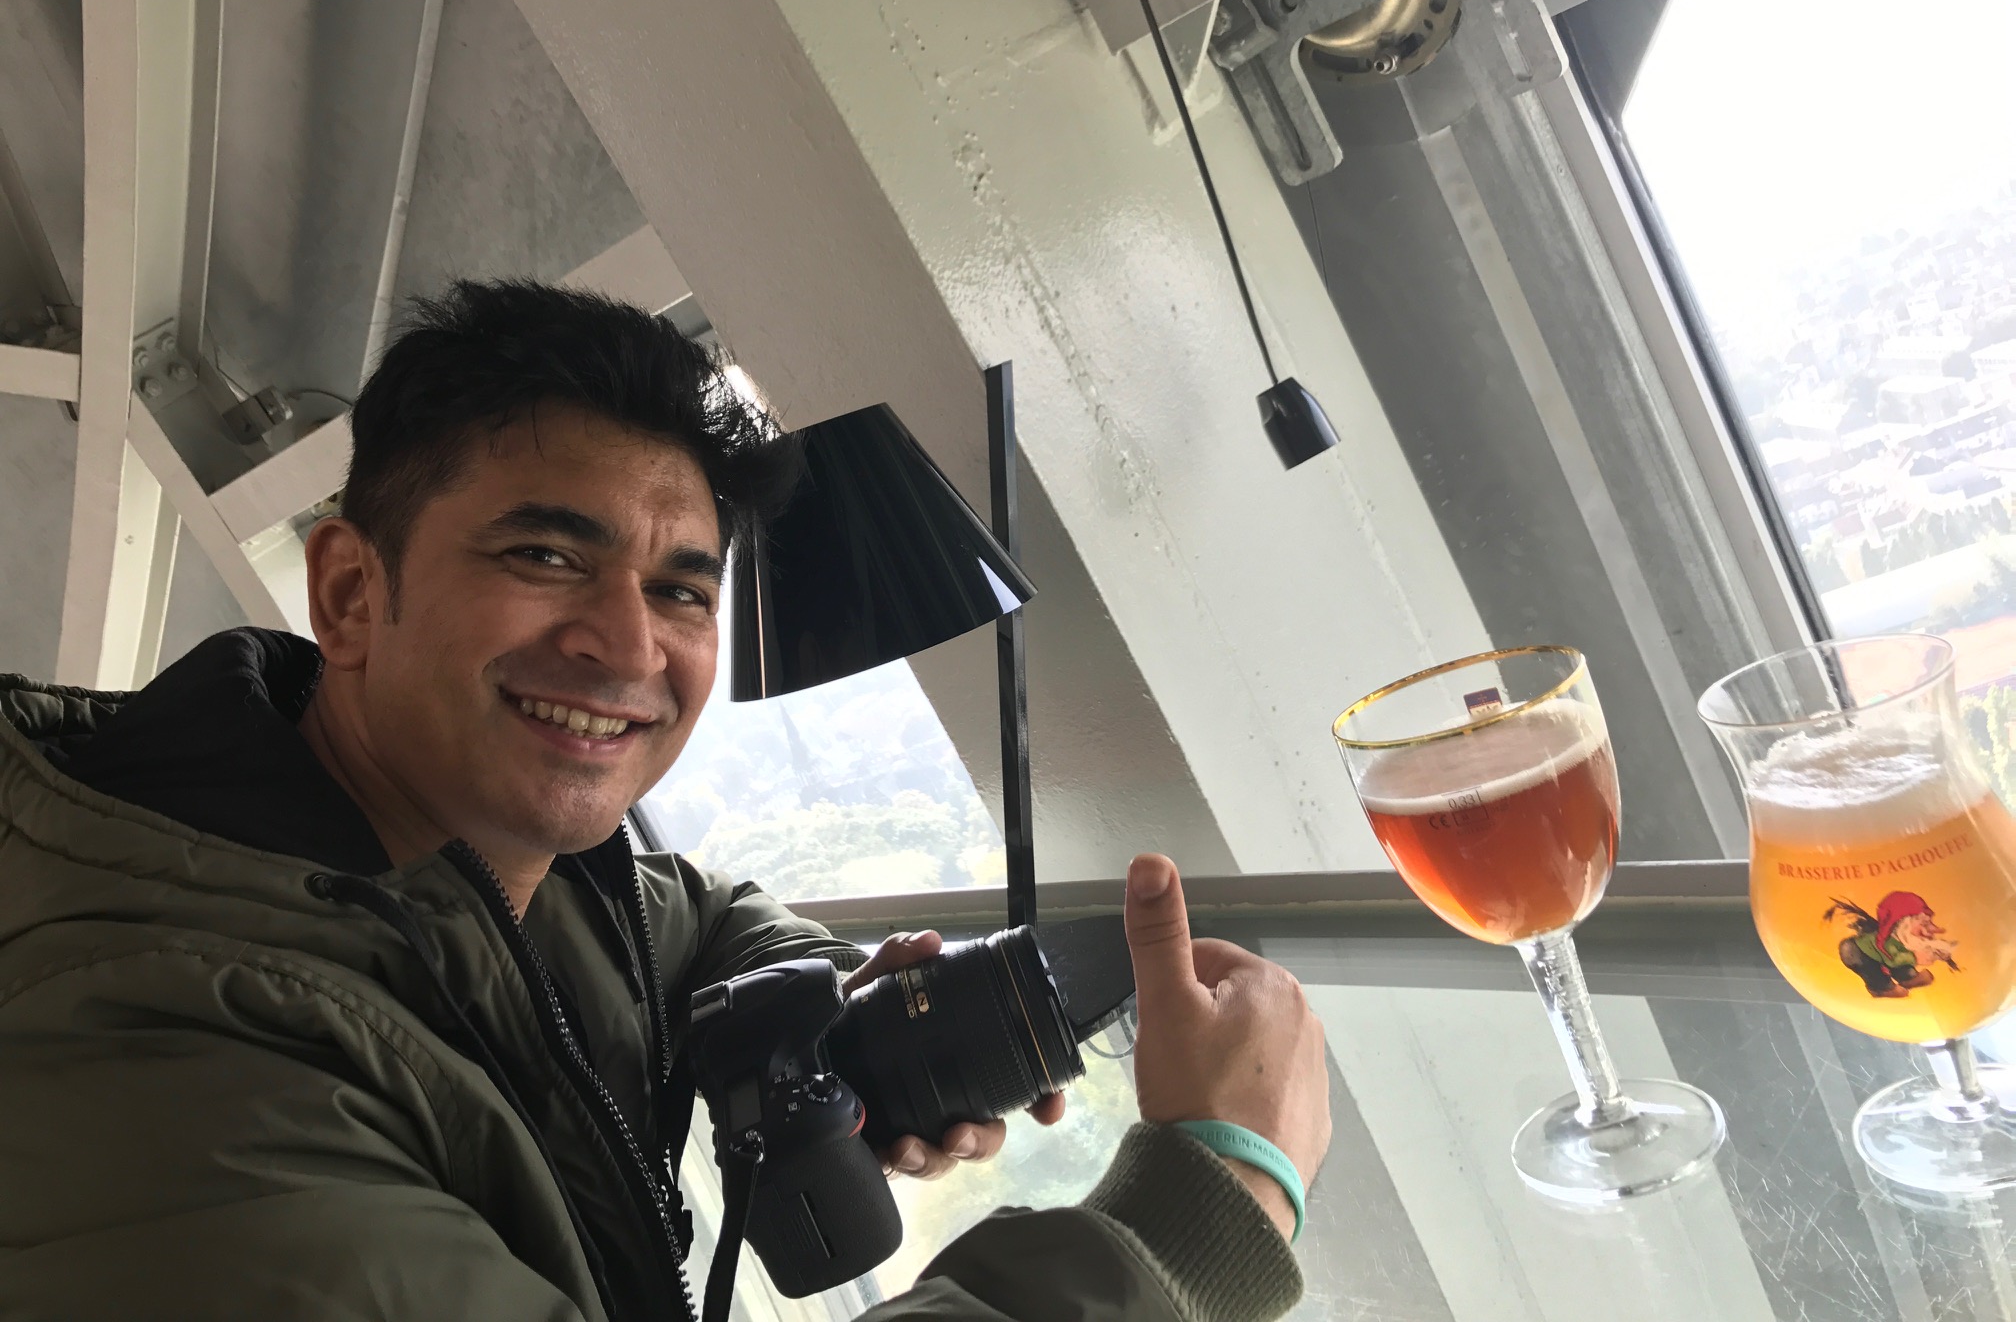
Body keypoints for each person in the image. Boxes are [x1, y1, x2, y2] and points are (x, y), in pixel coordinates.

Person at [0, 281, 1331, 1321]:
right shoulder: (152, 1054)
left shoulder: (492, 860)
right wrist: (1208, 1210)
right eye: (543, 554)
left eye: (682, 588)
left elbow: (693, 919)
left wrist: (830, 1021)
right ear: (351, 593)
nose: (629, 647)